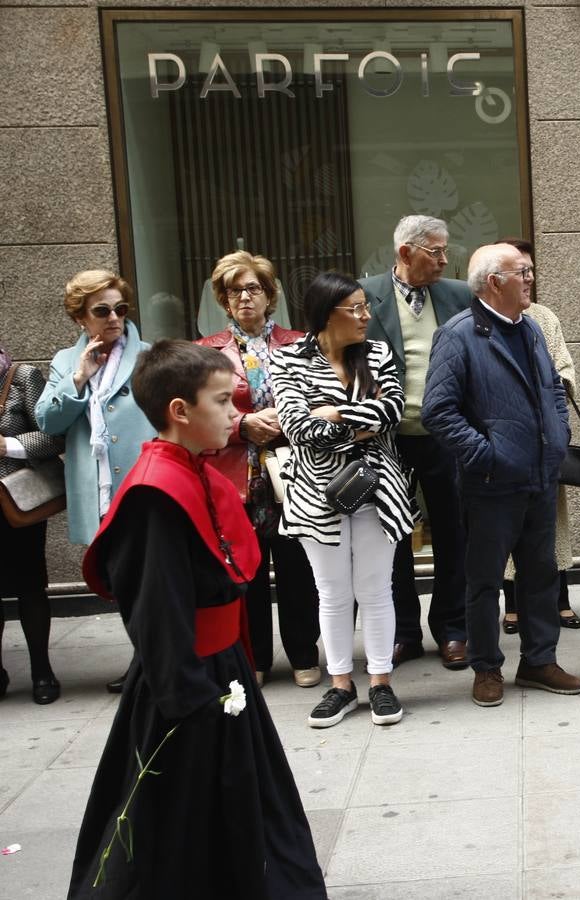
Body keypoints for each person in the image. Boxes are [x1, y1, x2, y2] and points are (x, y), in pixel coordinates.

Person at [68, 340, 325, 898]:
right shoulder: (154, 497)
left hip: (222, 667)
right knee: (179, 817)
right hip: (186, 683)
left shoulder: (193, 469)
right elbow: (157, 615)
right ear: (179, 411)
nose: (237, 414)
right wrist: (190, 701)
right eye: (222, 401)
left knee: (238, 804)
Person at [422, 243, 580, 708]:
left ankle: (538, 661)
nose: (531, 278)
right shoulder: (458, 335)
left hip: (538, 478)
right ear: (494, 282)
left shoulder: (530, 327)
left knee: (540, 576)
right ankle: (487, 668)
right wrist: (486, 455)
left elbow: (553, 387)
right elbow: (438, 412)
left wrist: (557, 435)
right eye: (523, 271)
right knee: (485, 581)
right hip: (490, 484)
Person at [272, 273, 414, 729]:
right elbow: (296, 429)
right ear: (325, 313)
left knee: (375, 589)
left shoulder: (376, 353)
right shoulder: (287, 359)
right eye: (354, 309)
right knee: (331, 593)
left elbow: (392, 411)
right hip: (316, 492)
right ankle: (340, 686)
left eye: (364, 307)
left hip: (377, 487)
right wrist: (358, 424)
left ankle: (380, 683)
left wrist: (332, 413)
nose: (365, 316)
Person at [195, 251, 321, 688]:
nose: (245, 298)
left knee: (298, 570)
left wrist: (285, 422)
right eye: (235, 291)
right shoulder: (205, 353)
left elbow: (320, 400)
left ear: (270, 295)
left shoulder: (301, 343)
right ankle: (254, 658)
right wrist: (242, 424)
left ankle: (305, 653)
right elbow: (198, 414)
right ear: (224, 301)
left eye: (253, 289)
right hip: (236, 477)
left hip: (292, 472)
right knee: (245, 572)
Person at [361, 215, 473, 670]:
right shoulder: (364, 296)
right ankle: (403, 631)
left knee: (454, 533)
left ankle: (452, 628)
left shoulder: (460, 295)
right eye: (436, 251)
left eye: (447, 250)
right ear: (405, 252)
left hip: (445, 435)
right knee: (393, 534)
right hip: (386, 437)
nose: (445, 260)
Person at [37, 269, 156, 694]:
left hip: (142, 486)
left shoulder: (148, 356)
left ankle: (149, 662)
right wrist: (79, 377)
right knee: (118, 578)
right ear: (80, 319)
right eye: (101, 310)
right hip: (97, 488)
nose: (113, 318)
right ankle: (144, 658)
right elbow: (48, 421)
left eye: (120, 309)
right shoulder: (64, 362)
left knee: (146, 577)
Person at [500, 239, 580, 632]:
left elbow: (565, 367)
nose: (529, 278)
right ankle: (512, 604)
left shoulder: (545, 318)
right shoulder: (477, 322)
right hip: (503, 443)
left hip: (546, 440)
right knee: (507, 525)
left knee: (553, 523)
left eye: (530, 270)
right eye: (521, 271)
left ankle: (560, 600)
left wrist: (551, 388)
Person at [0, 342, 65, 703]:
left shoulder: (21, 376)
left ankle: (42, 671)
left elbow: (52, 435)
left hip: (17, 501)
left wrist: (7, 446)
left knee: (30, 586)